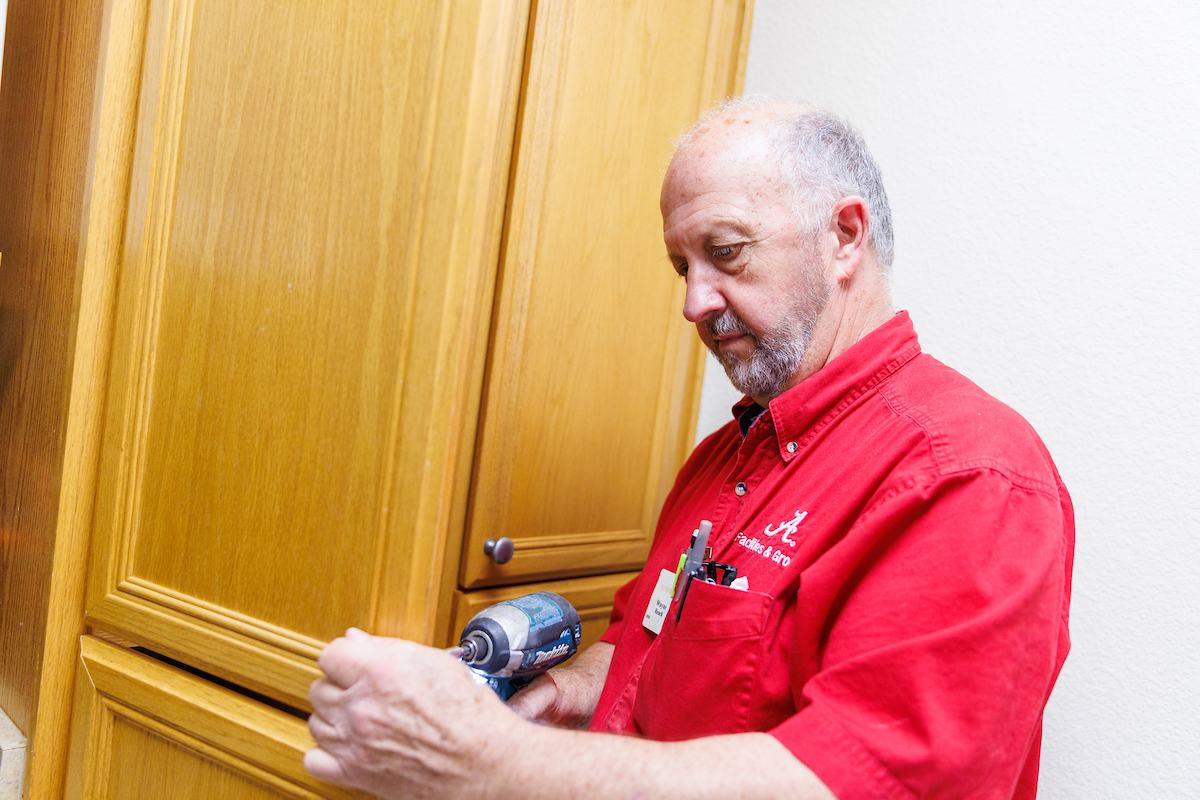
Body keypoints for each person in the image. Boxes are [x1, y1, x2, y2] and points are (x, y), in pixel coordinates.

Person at [304, 98, 1074, 800]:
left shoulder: (969, 475)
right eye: (683, 265)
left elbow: (865, 783)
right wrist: (575, 690)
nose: (693, 302)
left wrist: (483, 760)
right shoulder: (724, 458)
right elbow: (651, 644)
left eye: (727, 253)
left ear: (844, 236)